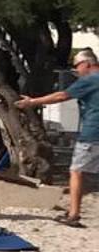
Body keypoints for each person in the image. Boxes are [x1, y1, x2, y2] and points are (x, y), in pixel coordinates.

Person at [18, 49, 99, 226]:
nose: (76, 71)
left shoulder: (90, 80)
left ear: (87, 64)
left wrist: (32, 102)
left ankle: (73, 214)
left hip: (93, 134)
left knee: (76, 172)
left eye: (77, 66)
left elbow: (61, 95)